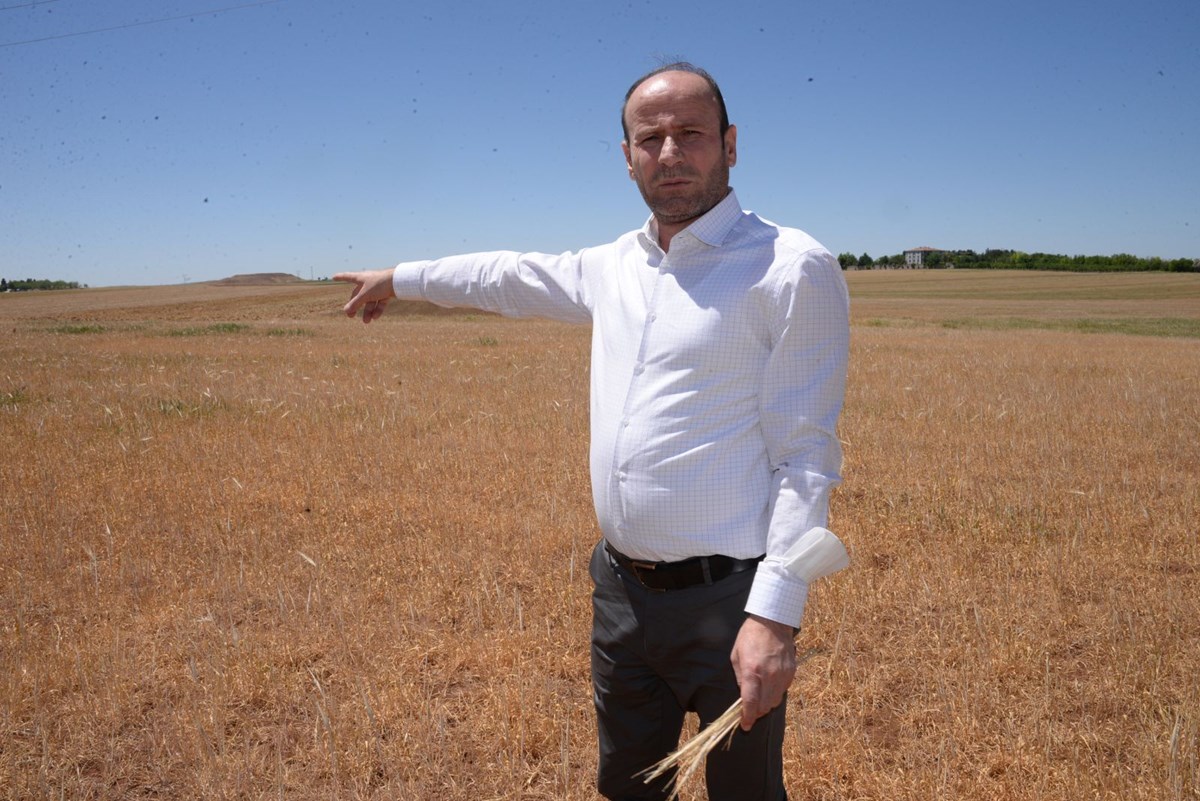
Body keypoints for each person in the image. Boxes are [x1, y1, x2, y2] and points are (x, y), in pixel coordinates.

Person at [334, 62, 849, 801]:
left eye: (691, 133)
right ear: (627, 157)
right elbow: (507, 276)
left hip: (731, 598)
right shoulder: (615, 265)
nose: (670, 153)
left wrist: (774, 615)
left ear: (731, 144)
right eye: (650, 138)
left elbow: (805, 458)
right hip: (620, 593)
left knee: (745, 793)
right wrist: (400, 278)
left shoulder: (790, 268)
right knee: (629, 787)